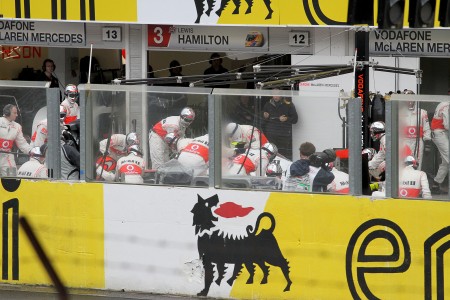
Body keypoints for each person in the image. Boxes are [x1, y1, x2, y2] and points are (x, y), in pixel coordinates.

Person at [399, 91, 431, 170]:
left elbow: (426, 128)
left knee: (418, 162)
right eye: (407, 98)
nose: (409, 100)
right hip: (404, 141)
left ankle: (416, 179)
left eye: (411, 98)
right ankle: (404, 180)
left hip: (418, 141)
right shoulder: (400, 112)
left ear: (415, 99)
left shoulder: (422, 112)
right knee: (403, 161)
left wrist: (427, 144)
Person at [263, 93, 298, 160]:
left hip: (283, 135)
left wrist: (286, 118)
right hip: (271, 134)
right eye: (274, 94)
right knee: (270, 154)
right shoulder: (268, 104)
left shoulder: (288, 104)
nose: (275, 96)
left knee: (282, 155)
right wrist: (264, 116)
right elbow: (262, 120)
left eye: (277, 94)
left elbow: (295, 119)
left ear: (281, 94)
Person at [0, 104, 32, 176]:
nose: (16, 115)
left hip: (7, 156)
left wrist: (31, 151)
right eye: (14, 113)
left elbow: (22, 143)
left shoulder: (17, 126)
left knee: (13, 177)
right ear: (7, 112)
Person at [430, 101, 449, 193]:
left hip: (443, 132)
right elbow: (447, 125)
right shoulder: (447, 105)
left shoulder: (444, 103)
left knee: (446, 161)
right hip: (440, 132)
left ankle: (436, 184)